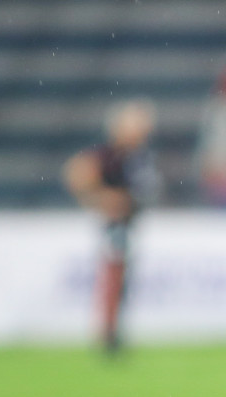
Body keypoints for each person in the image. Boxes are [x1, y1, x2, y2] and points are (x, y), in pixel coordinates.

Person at [64, 100, 160, 356]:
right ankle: (108, 333)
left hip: (129, 223)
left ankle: (112, 330)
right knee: (114, 276)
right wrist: (101, 200)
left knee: (121, 278)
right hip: (115, 224)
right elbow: (78, 172)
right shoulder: (109, 154)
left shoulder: (138, 155)